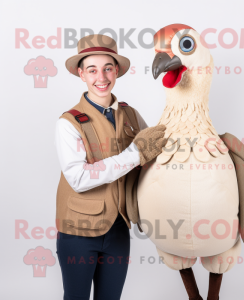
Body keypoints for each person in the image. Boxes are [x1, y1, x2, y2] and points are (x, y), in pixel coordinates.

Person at [55, 34, 167, 300]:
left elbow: (155, 154)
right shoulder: (69, 122)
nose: (101, 77)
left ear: (116, 70)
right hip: (78, 231)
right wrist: (134, 154)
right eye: (92, 70)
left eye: (107, 68)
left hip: (118, 227)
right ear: (81, 74)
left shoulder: (131, 114)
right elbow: (79, 178)